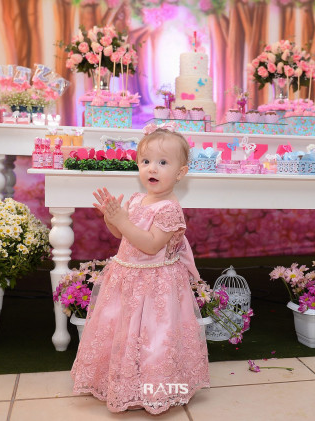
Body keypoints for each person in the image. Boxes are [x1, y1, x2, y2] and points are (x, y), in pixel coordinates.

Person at [70, 124, 210, 414]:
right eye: (145, 161)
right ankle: (124, 385)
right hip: (127, 277)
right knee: (122, 331)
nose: (152, 168)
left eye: (163, 162)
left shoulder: (169, 209)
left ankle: (156, 389)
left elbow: (150, 244)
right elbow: (123, 235)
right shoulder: (136, 199)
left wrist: (123, 221)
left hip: (155, 283)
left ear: (180, 173)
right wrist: (112, 219)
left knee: (153, 337)